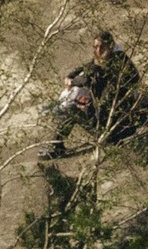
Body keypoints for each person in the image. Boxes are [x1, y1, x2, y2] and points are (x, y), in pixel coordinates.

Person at [42, 29, 141, 158]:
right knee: (77, 105)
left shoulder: (115, 63)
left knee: (72, 109)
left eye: (102, 47)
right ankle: (56, 146)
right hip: (111, 120)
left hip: (111, 127)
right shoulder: (114, 59)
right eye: (95, 47)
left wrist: (73, 82)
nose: (98, 51)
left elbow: (86, 77)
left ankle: (56, 147)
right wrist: (70, 76)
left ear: (110, 46)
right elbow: (84, 68)